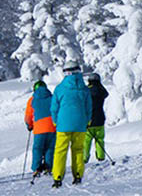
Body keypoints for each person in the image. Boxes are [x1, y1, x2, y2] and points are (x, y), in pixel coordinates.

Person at [50, 60, 92, 188]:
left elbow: (54, 107)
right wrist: (87, 121)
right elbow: (89, 107)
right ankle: (78, 175)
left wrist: (55, 121)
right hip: (80, 125)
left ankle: (57, 177)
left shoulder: (60, 88)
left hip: (63, 124)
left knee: (60, 151)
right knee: (78, 150)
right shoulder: (84, 89)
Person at [24, 80, 56, 179]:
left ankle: (36, 168)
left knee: (38, 148)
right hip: (52, 127)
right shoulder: (52, 98)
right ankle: (48, 167)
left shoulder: (32, 100)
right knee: (50, 148)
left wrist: (29, 125)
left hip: (39, 128)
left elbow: (28, 116)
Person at [83, 72, 109, 163]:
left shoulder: (86, 90)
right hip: (100, 119)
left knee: (86, 140)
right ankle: (101, 156)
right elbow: (106, 94)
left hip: (88, 120)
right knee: (100, 139)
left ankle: (84, 158)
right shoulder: (101, 90)